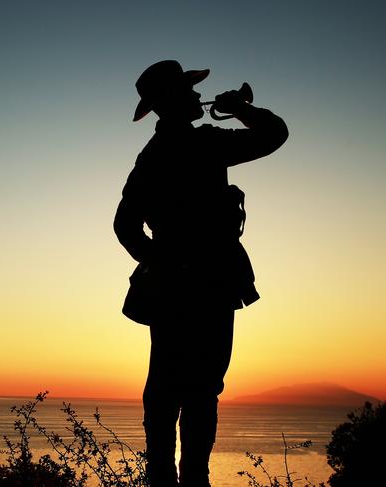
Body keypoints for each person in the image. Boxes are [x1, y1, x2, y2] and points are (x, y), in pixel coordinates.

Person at [113, 60, 288, 487]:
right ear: (172, 100)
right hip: (210, 284)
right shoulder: (205, 144)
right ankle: (192, 479)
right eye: (188, 91)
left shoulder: (151, 156)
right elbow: (275, 134)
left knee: (166, 386)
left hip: (176, 286)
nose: (196, 97)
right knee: (200, 388)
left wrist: (160, 262)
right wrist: (242, 109)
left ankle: (163, 476)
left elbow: (124, 225)